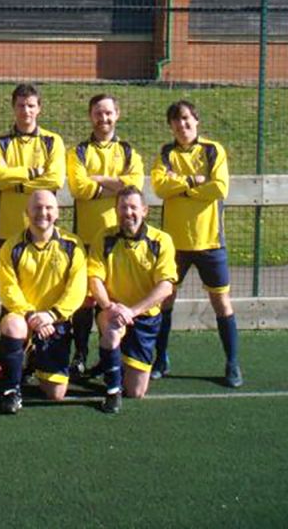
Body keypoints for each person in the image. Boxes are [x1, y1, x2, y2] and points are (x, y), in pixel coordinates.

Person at [150, 100, 242, 387]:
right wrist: (194, 181)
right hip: (174, 245)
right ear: (171, 126)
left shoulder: (213, 150)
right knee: (165, 301)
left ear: (196, 121)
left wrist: (181, 185)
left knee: (221, 303)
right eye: (176, 121)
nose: (182, 125)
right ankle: (161, 359)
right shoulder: (166, 153)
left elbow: (219, 187)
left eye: (187, 119)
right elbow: (159, 187)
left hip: (210, 243)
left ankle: (232, 363)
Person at [66, 94, 144, 376]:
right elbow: (79, 188)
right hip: (87, 237)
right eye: (98, 113)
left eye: (109, 113)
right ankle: (80, 354)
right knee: (85, 299)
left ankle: (109, 355)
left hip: (120, 237)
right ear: (91, 116)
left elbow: (134, 186)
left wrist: (97, 179)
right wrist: (115, 185)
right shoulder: (79, 151)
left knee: (112, 295)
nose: (104, 118)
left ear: (117, 115)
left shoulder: (127, 151)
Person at [0, 190, 87, 414]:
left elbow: (77, 290)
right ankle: (12, 390)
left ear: (57, 213)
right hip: (26, 320)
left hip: (55, 321)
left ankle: (34, 358)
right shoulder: (11, 247)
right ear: (27, 212)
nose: (42, 213)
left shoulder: (72, 245)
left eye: (48, 208)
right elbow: (9, 290)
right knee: (12, 324)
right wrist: (31, 316)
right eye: (37, 208)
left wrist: (52, 316)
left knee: (56, 394)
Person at [87, 186, 177, 413]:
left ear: (145, 210)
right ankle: (112, 390)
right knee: (111, 329)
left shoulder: (161, 241)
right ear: (116, 210)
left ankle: (115, 362)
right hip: (114, 310)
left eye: (133, 207)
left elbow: (166, 287)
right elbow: (94, 278)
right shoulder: (104, 237)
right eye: (123, 207)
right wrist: (109, 306)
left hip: (144, 318)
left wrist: (133, 311)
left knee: (136, 392)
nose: (128, 212)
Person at [0, 83, 66, 259]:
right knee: (7, 280)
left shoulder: (53, 141)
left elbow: (55, 180)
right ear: (13, 108)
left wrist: (15, 184)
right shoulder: (0, 143)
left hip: (43, 226)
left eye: (31, 105)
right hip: (8, 227)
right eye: (21, 105)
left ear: (39, 109)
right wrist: (33, 173)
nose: (26, 110)